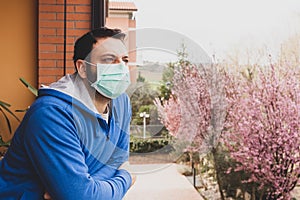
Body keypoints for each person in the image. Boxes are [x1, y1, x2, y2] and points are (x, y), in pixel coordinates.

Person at [0, 27, 135, 199]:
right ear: (83, 68)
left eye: (124, 60)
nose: (121, 68)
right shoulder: (51, 114)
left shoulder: (121, 103)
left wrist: (85, 186)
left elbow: (118, 159)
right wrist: (127, 178)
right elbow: (82, 196)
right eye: (109, 59)